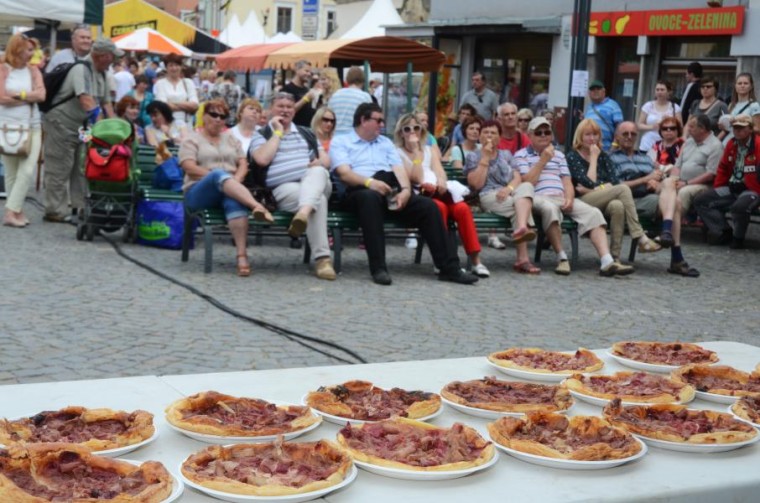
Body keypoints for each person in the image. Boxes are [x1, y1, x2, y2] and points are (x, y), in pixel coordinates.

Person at [330, 102, 478, 286]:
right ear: (363, 120)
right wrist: (371, 183)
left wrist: (406, 191)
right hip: (359, 190)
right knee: (370, 199)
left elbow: (398, 170)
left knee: (429, 207)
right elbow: (344, 174)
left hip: (389, 188)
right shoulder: (341, 141)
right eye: (379, 120)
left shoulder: (384, 142)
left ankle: (449, 268)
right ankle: (379, 268)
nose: (383, 125)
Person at [514, 117, 628, 276]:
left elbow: (567, 181)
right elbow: (527, 182)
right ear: (530, 135)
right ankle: (562, 258)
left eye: (547, 132)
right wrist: (543, 160)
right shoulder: (521, 155)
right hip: (538, 197)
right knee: (550, 209)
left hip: (561, 196)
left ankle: (607, 261)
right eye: (538, 133)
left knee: (593, 213)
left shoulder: (559, 155)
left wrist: (569, 197)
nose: (543, 135)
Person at [179, 99, 274, 277]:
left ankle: (242, 256)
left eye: (222, 116)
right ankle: (256, 206)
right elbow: (189, 168)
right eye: (213, 115)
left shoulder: (231, 138)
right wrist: (220, 178)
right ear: (204, 116)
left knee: (234, 200)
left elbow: (243, 163)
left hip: (229, 187)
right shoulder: (192, 139)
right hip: (198, 191)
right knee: (217, 175)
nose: (218, 119)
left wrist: (234, 181)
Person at [249, 92, 336, 280]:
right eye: (280, 106)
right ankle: (323, 260)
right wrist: (278, 132)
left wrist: (319, 163)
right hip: (283, 190)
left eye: (289, 106)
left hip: (313, 181)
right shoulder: (261, 134)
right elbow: (262, 160)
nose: (285, 110)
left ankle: (302, 215)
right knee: (317, 200)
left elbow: (327, 160)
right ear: (271, 109)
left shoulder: (306, 133)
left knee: (320, 172)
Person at [395, 113, 490, 277]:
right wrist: (417, 152)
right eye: (407, 129)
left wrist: (441, 183)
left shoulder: (430, 149)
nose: (412, 132)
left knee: (462, 209)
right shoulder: (398, 152)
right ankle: (445, 261)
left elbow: (440, 171)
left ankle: (476, 261)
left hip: (440, 191)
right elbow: (415, 177)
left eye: (416, 128)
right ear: (401, 132)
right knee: (438, 209)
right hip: (420, 196)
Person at [42, 38, 119, 223]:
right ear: (102, 56)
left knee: (83, 165)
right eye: (112, 56)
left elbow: (106, 103)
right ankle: (55, 210)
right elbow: (86, 100)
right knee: (60, 166)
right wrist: (102, 127)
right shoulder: (81, 69)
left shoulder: (102, 74)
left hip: (82, 127)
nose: (114, 60)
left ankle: (80, 206)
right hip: (62, 122)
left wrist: (117, 127)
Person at [609, 122, 699, 277]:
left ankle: (666, 232)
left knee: (670, 182)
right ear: (616, 136)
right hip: (630, 200)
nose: (630, 137)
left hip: (651, 195)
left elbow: (657, 177)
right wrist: (645, 180)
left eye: (633, 134)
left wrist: (654, 182)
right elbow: (615, 187)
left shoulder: (645, 158)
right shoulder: (611, 158)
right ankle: (676, 257)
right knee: (676, 203)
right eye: (625, 134)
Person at [566, 119, 662, 263]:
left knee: (617, 205)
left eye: (595, 134)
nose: (592, 138)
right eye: (588, 134)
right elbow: (589, 183)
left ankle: (614, 257)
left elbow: (614, 182)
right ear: (580, 136)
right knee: (623, 189)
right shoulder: (572, 156)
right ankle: (640, 236)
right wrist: (593, 159)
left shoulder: (604, 156)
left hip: (601, 198)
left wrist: (598, 188)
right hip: (581, 202)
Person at [464, 120, 540, 274]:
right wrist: (485, 158)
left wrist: (508, 188)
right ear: (480, 136)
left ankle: (521, 230)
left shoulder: (506, 154)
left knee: (526, 187)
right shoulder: (473, 156)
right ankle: (523, 258)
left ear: (499, 137)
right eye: (486, 132)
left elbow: (517, 177)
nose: (489, 136)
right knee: (520, 207)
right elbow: (476, 185)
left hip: (510, 193)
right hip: (488, 195)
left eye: (493, 133)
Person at [694, 114, 760, 250]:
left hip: (752, 189)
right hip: (732, 187)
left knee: (739, 207)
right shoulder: (731, 144)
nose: (737, 131)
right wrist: (718, 188)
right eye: (735, 128)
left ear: (750, 129)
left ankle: (738, 238)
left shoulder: (758, 145)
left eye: (742, 128)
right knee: (701, 200)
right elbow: (723, 168)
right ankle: (724, 230)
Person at [0, 33, 45, 228]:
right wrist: (29, 96)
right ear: (17, 49)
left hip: (32, 126)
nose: (32, 54)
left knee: (27, 170)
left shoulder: (33, 71)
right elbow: (1, 98)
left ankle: (10, 211)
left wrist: (19, 95)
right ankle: (17, 212)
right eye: (28, 49)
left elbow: (42, 95)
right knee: (11, 172)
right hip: (6, 126)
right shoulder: (3, 69)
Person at [672, 114, 723, 217]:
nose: (688, 129)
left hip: (704, 185)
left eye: (691, 126)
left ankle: (673, 223)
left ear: (702, 129)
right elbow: (677, 165)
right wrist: (674, 180)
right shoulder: (688, 142)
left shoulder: (715, 146)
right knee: (665, 185)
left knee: (684, 192)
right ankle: (659, 219)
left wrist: (686, 183)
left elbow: (710, 174)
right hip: (681, 180)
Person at [153, 54, 198, 128]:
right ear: (166, 67)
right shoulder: (160, 83)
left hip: (187, 125)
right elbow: (162, 107)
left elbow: (195, 105)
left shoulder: (188, 82)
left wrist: (171, 103)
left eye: (177, 65)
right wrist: (186, 105)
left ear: (181, 67)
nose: (174, 68)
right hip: (168, 125)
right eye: (171, 65)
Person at [637, 80, 681, 154]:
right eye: (657, 90)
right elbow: (639, 125)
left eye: (662, 90)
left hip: (667, 144)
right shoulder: (648, 106)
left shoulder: (675, 107)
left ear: (669, 91)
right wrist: (652, 127)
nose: (659, 92)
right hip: (648, 143)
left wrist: (670, 121)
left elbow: (680, 126)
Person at [718, 73, 760, 145]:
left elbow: (758, 129)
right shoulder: (732, 105)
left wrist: (740, 123)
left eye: (745, 83)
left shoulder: (754, 105)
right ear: (735, 86)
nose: (742, 86)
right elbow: (728, 129)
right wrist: (723, 127)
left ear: (751, 86)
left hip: (745, 143)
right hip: (729, 143)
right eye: (739, 83)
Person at [328, 66, 372, 135]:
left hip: (335, 135)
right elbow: (369, 118)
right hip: (354, 136)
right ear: (363, 80)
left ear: (347, 79)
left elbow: (329, 114)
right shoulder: (365, 97)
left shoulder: (335, 95)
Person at [584, 80, 623, 152]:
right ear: (589, 93)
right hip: (589, 148)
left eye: (598, 89)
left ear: (604, 91)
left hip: (607, 149)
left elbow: (620, 128)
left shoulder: (613, 105)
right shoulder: (589, 107)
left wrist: (614, 145)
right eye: (592, 89)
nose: (595, 91)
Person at [281, 61, 319, 128]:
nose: (309, 74)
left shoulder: (306, 90)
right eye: (306, 71)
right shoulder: (287, 89)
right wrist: (305, 99)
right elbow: (288, 111)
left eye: (310, 72)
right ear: (297, 70)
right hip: (294, 129)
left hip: (308, 129)